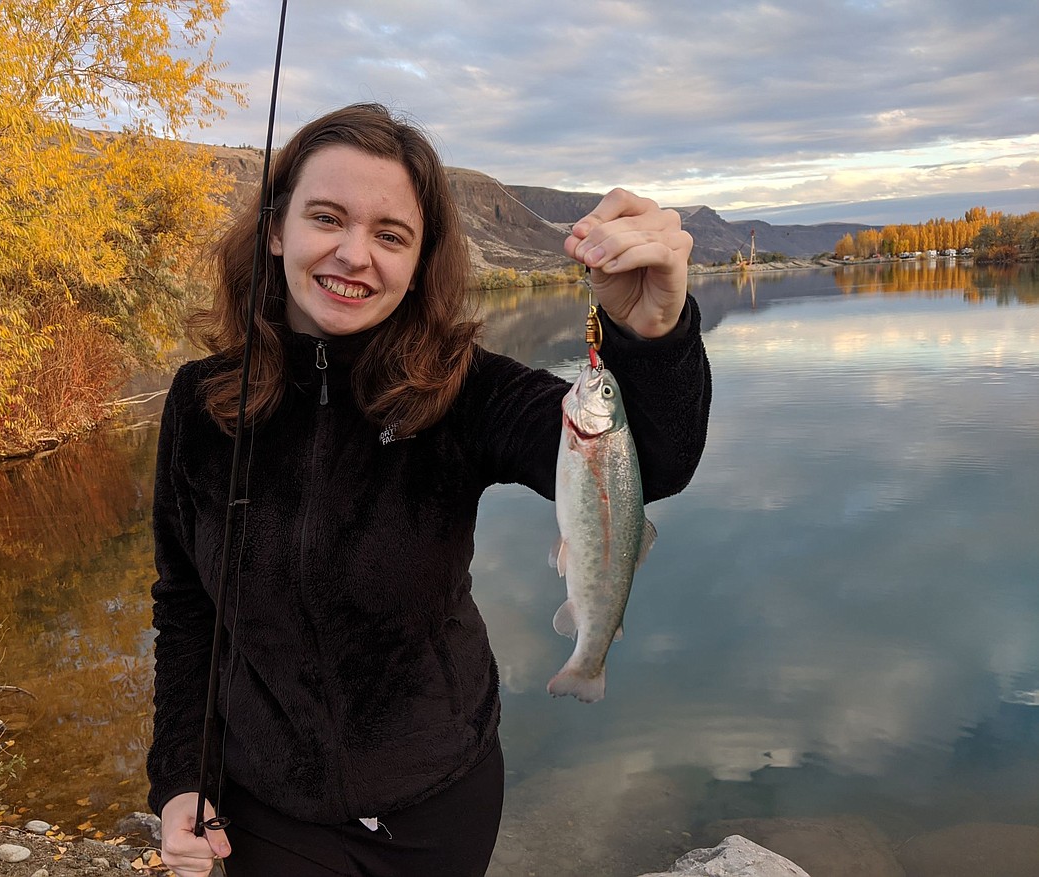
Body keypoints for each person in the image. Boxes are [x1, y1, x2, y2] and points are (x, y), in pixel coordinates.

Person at [147, 102, 711, 877]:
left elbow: (653, 464)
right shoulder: (200, 402)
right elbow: (186, 607)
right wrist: (180, 776)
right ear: (276, 230)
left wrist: (655, 332)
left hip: (439, 803)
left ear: (419, 262)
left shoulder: (462, 389)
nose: (354, 254)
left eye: (390, 235)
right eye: (326, 217)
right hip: (266, 807)